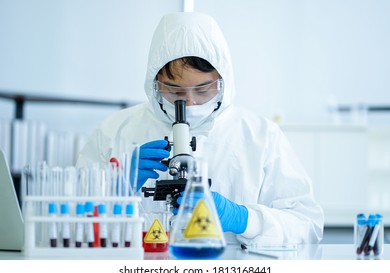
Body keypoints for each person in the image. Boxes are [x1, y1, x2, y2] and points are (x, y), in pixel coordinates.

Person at [77, 12, 324, 245]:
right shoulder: (115, 131)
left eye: (203, 90)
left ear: (222, 81)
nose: (190, 102)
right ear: (154, 82)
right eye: (174, 90)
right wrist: (112, 187)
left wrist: (242, 218)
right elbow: (69, 220)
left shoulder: (260, 136)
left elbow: (307, 226)